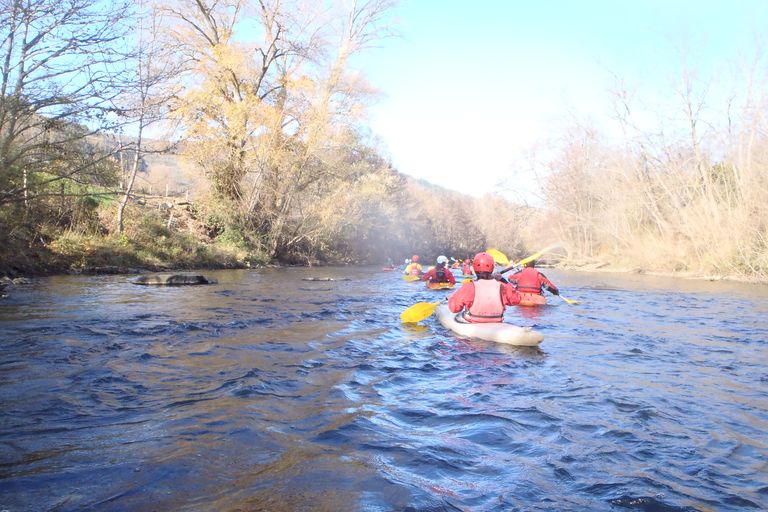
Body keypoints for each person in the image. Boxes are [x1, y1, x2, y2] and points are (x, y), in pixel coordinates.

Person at [448, 252, 520, 323]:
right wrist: (503, 280)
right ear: (492, 268)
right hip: (496, 322)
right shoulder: (502, 286)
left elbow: (454, 308)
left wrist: (451, 299)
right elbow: (517, 299)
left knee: (461, 314)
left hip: (473, 321)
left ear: (474, 268)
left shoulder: (468, 286)